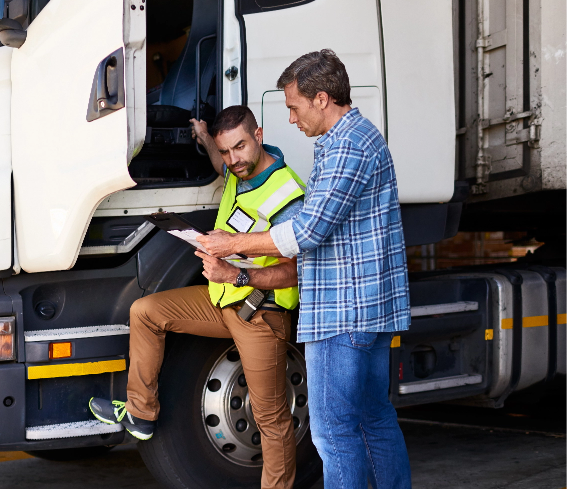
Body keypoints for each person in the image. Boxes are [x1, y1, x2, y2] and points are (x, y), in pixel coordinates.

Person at [196, 50, 412, 489]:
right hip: (365, 309)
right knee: (374, 419)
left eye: (293, 106)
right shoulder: (354, 140)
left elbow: (307, 231)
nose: (291, 119)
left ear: (321, 98)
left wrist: (230, 244)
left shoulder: (347, 146)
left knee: (333, 433)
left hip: (342, 313)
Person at [88, 105, 305, 489]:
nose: (232, 160)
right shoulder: (238, 172)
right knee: (146, 312)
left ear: (259, 136)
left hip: (260, 316)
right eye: (225, 151)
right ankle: (141, 413)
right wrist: (205, 138)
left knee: (271, 420)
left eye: (238, 147)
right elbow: (222, 165)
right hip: (223, 303)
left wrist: (237, 274)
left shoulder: (288, 193)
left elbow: (296, 269)